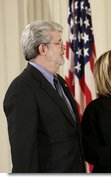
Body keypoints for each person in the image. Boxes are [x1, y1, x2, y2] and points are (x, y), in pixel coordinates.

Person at [3, 20, 85, 173]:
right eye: (58, 43)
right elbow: (24, 154)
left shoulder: (59, 82)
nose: (64, 48)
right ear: (42, 49)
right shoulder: (22, 89)